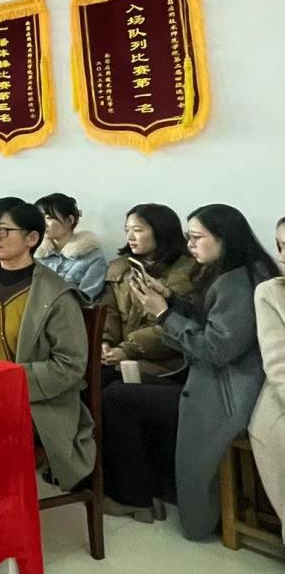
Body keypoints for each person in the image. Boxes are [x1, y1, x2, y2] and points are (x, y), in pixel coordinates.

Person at [102, 204, 279, 537]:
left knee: (117, 397)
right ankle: (151, 491)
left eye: (197, 237)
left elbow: (215, 348)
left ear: (225, 238)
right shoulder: (235, 271)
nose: (191, 245)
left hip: (225, 395)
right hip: (211, 380)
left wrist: (164, 314)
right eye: (189, 237)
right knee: (117, 387)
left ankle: (136, 497)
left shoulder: (237, 283)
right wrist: (169, 300)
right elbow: (207, 321)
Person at [0, 197, 94, 494]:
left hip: (36, 401)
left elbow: (70, 366)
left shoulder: (56, 295)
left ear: (31, 238)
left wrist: (6, 380)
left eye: (3, 230)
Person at [101, 204, 202, 380]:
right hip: (119, 356)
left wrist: (128, 349)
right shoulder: (119, 267)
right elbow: (108, 311)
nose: (130, 237)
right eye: (127, 230)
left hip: (167, 362)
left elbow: (178, 324)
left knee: (111, 386)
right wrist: (104, 341)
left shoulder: (189, 271)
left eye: (137, 230)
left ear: (161, 232)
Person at [250, 253, 285, 520]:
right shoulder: (271, 292)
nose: (283, 256)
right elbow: (278, 367)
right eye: (280, 246)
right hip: (279, 402)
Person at [33, 193, 108, 302]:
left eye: (48, 218)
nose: (43, 223)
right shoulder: (35, 255)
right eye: (40, 218)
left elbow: (86, 299)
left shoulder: (94, 258)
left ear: (70, 220)